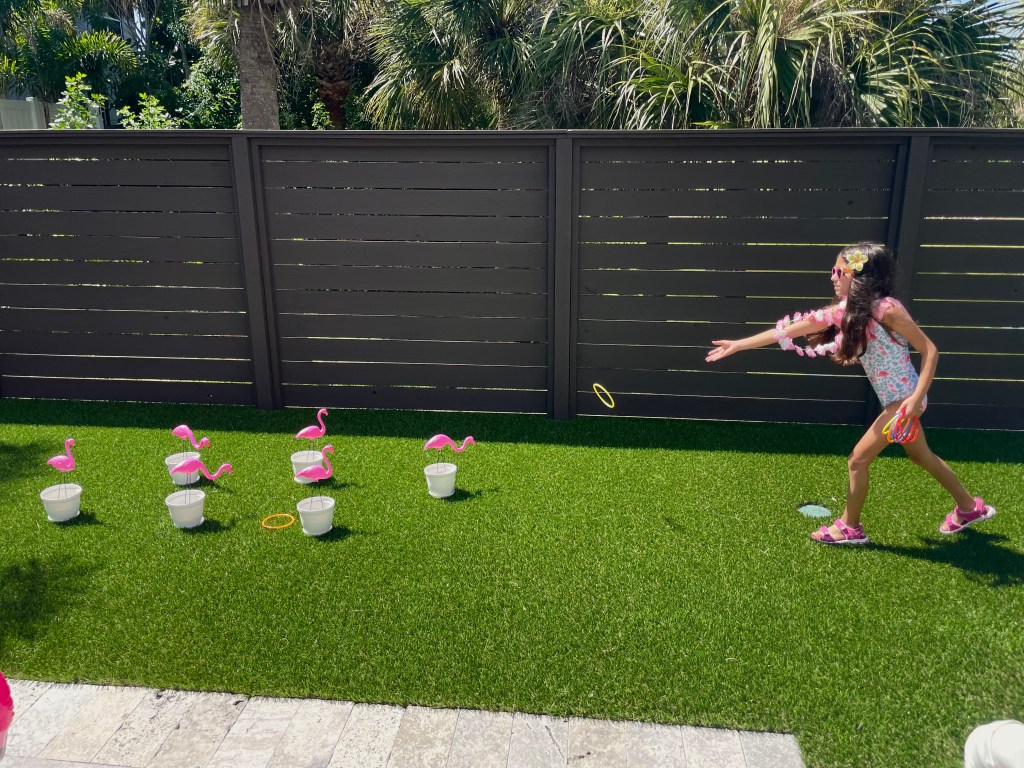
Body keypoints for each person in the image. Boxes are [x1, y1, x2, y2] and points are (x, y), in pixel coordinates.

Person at [705, 242, 995, 545]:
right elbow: (789, 330)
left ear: (859, 275)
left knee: (857, 460)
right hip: (897, 401)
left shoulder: (887, 310)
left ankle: (849, 527)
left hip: (905, 400)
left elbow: (930, 350)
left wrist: (913, 399)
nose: (832, 276)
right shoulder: (846, 312)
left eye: (838, 271)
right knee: (921, 455)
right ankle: (969, 508)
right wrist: (739, 344)